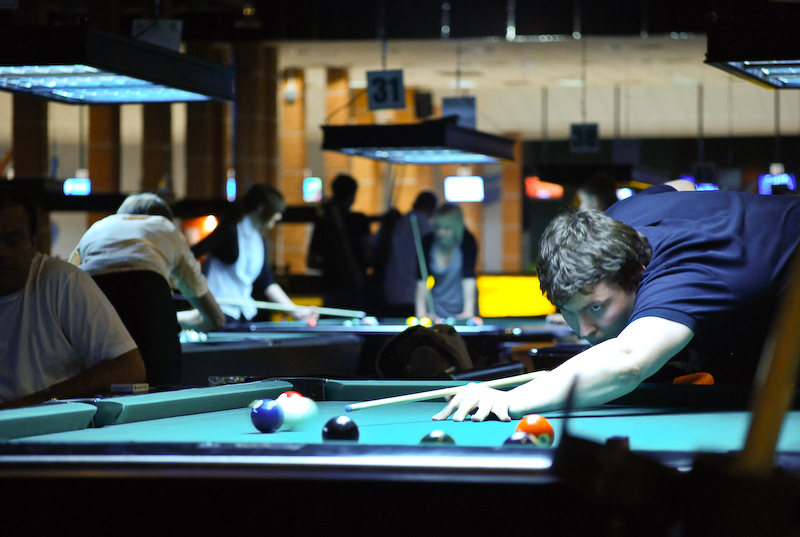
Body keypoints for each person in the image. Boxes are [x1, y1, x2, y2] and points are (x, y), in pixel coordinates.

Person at [433, 179, 800, 422]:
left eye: (596, 308)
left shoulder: (680, 275)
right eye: (570, 312)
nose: (584, 331)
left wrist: (510, 400)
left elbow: (628, 362)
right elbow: (682, 187)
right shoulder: (617, 222)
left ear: (638, 274)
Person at [0, 185, 146, 409]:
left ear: (33, 245)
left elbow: (129, 369)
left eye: (13, 241)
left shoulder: (62, 282)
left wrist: (40, 400)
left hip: (53, 422)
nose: (2, 253)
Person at [69, 193, 225, 387]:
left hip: (93, 304)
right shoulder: (165, 227)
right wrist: (171, 319)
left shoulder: (96, 228)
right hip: (148, 297)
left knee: (101, 383)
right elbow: (216, 318)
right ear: (163, 218)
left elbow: (71, 286)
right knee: (161, 387)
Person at [191, 184, 314, 323]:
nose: (279, 216)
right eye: (276, 211)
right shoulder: (230, 229)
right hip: (218, 313)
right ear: (260, 209)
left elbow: (267, 282)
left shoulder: (258, 239)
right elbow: (194, 253)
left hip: (243, 314)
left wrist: (296, 312)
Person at [307, 174, 372, 310]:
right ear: (352, 195)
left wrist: (329, 265)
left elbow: (311, 259)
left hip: (331, 284)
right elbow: (368, 253)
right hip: (355, 283)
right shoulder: (359, 220)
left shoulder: (324, 220)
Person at [415, 203, 478, 320]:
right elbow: (422, 279)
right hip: (436, 308)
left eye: (447, 228)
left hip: (462, 308)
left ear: (457, 227)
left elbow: (469, 277)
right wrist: (421, 312)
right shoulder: (428, 242)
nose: (441, 232)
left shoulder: (467, 241)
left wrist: (468, 312)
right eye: (438, 227)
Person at [380, 191, 438, 317]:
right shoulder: (424, 225)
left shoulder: (399, 222)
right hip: (413, 293)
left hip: (391, 291)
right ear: (430, 208)